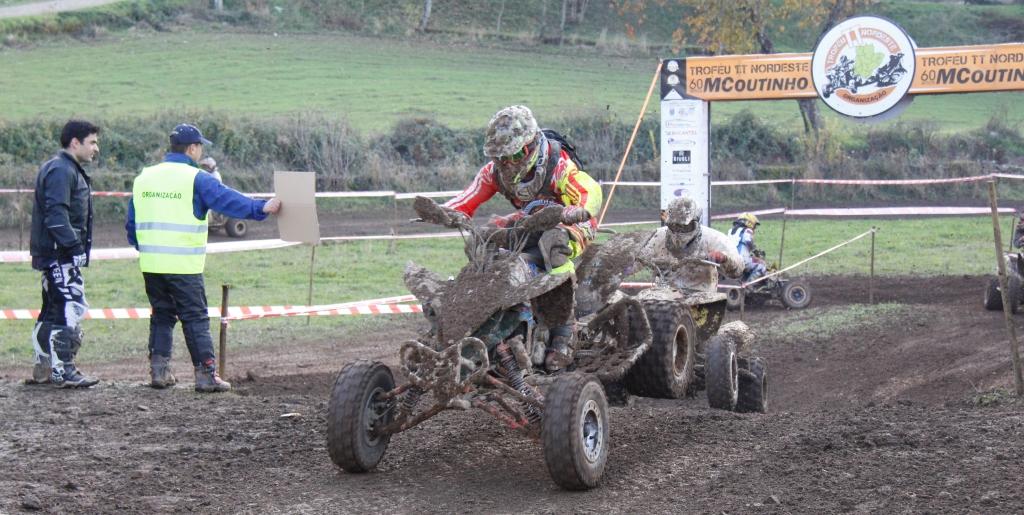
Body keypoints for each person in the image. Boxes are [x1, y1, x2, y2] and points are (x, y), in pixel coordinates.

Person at [441, 105, 603, 371]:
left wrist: (578, 208)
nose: (507, 163)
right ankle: (480, 322)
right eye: (500, 157)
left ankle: (564, 329)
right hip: (529, 222)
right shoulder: (494, 172)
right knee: (482, 240)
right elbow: (467, 198)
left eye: (513, 155)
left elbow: (589, 189)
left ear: (529, 147)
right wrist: (442, 213)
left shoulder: (558, 165)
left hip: (571, 222)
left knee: (553, 245)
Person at [125, 124, 282, 392]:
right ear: (192, 148)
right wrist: (261, 208)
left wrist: (147, 247)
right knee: (195, 317)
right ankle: (206, 374)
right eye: (200, 147)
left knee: (162, 315)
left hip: (151, 263)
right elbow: (227, 200)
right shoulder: (196, 178)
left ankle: (159, 372)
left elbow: (132, 224)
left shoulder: (145, 177)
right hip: (183, 265)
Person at [28, 120, 102, 387]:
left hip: (53, 252)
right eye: (92, 142)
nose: (96, 148)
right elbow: (56, 214)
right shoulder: (62, 170)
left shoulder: (62, 167)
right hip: (59, 253)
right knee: (69, 307)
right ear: (75, 142)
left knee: (52, 309)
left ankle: (44, 368)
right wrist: (73, 247)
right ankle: (63, 371)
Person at [636, 196, 744, 293]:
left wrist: (724, 259)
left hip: (701, 294)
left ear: (696, 222)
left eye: (685, 227)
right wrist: (625, 263)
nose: (679, 232)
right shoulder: (657, 237)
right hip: (663, 294)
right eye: (674, 226)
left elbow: (737, 271)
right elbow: (635, 261)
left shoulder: (714, 239)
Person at [727, 213, 767, 283]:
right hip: (741, 260)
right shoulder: (747, 231)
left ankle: (741, 282)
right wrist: (755, 250)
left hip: (729, 259)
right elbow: (748, 241)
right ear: (749, 223)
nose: (754, 228)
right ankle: (748, 286)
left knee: (751, 261)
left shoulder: (730, 231)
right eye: (754, 226)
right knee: (761, 266)